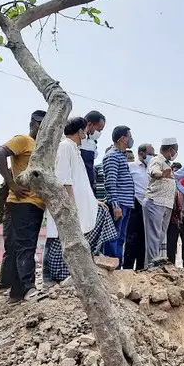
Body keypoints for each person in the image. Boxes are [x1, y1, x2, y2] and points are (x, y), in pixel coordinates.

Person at [44, 117, 117, 283]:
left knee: (102, 213)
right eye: (84, 130)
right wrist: (70, 204)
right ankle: (61, 276)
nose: (87, 133)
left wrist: (92, 202)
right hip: (70, 205)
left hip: (82, 205)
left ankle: (85, 264)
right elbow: (65, 178)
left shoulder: (74, 148)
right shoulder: (65, 146)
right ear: (79, 131)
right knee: (63, 239)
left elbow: (81, 181)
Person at [0, 110, 47, 302]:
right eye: (40, 124)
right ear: (32, 123)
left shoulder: (43, 146)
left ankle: (16, 293)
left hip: (36, 204)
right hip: (22, 202)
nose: (43, 128)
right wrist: (12, 184)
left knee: (21, 247)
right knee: (26, 247)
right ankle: (28, 287)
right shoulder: (23, 140)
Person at [103, 126, 135, 267]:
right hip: (118, 203)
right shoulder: (112, 156)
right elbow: (110, 182)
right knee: (113, 237)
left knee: (120, 237)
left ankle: (118, 267)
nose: (131, 139)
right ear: (123, 139)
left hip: (126, 203)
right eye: (129, 136)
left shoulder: (121, 155)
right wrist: (115, 205)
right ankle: (111, 267)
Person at [143, 138, 179, 268]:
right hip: (155, 202)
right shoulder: (157, 160)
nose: (176, 153)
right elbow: (154, 172)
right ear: (170, 149)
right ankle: (151, 265)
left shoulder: (167, 163)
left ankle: (156, 263)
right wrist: (161, 174)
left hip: (165, 204)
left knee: (160, 235)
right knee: (153, 236)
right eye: (176, 150)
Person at [124, 143, 155, 270]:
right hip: (134, 205)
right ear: (141, 154)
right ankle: (127, 269)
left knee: (145, 240)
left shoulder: (152, 169)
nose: (152, 156)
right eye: (150, 154)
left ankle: (142, 269)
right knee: (132, 239)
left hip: (149, 206)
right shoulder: (131, 167)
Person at [80, 110, 106, 195]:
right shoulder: (74, 139)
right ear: (89, 125)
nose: (99, 133)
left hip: (88, 186)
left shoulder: (92, 143)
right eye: (98, 130)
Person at [166, 162, 184, 266]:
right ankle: (171, 265)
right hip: (172, 220)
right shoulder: (168, 186)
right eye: (174, 171)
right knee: (171, 244)